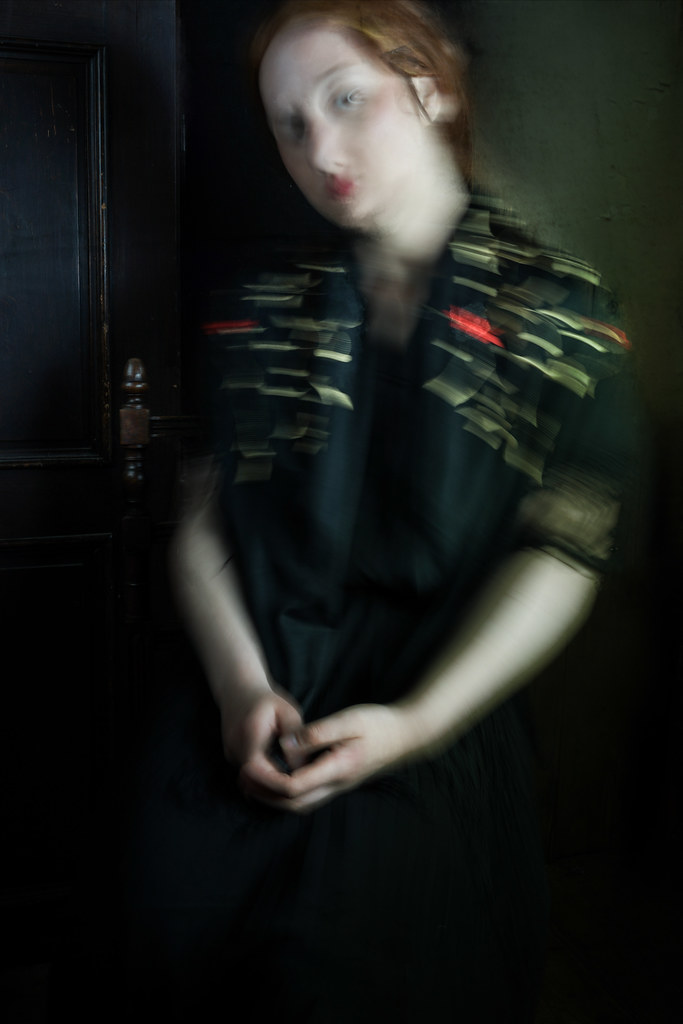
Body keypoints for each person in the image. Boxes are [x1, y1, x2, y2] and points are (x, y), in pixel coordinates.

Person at [122, 2, 636, 1020]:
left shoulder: (560, 314)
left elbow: (563, 550)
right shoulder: (261, 309)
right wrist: (238, 689)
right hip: (252, 691)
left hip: (431, 704)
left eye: (344, 99)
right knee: (155, 929)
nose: (319, 150)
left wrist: (416, 725)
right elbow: (202, 523)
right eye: (290, 125)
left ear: (427, 87)